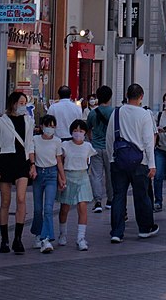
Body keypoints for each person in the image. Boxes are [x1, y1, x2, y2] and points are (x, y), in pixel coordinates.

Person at [109, 83, 158, 243]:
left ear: (126, 95)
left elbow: (110, 138)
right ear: (141, 97)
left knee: (118, 196)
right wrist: (152, 164)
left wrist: (112, 157)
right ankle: (144, 228)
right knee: (141, 195)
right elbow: (148, 141)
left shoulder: (116, 113)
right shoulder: (144, 115)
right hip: (140, 162)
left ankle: (117, 231)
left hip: (118, 161)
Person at [0, 91, 33, 254]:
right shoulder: (0, 122)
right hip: (5, 160)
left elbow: (30, 144)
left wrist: (32, 163)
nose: (23, 106)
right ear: (13, 103)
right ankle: (4, 239)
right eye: (21, 103)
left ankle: (18, 238)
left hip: (22, 161)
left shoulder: (28, 121)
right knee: (5, 201)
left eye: (25, 103)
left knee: (21, 198)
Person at [29, 114, 65, 253]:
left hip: (52, 174)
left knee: (48, 208)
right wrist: (32, 166)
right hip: (38, 174)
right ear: (41, 126)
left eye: (52, 126)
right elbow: (32, 154)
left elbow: (59, 161)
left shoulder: (57, 141)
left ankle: (47, 238)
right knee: (38, 209)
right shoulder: (35, 139)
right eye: (47, 126)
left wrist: (62, 178)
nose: (50, 129)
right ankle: (38, 234)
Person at [58, 119, 95, 251]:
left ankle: (81, 238)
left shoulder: (88, 147)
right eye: (75, 130)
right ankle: (63, 233)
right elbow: (60, 162)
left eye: (81, 131)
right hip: (68, 176)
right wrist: (61, 178)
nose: (78, 133)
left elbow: (88, 161)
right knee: (65, 207)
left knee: (83, 207)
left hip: (83, 176)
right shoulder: (65, 145)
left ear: (85, 132)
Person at [87, 85, 114, 213]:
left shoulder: (92, 113)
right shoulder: (114, 112)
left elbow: (88, 128)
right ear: (110, 97)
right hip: (110, 148)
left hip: (96, 147)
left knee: (96, 175)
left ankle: (97, 201)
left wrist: (92, 139)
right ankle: (110, 200)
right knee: (110, 175)